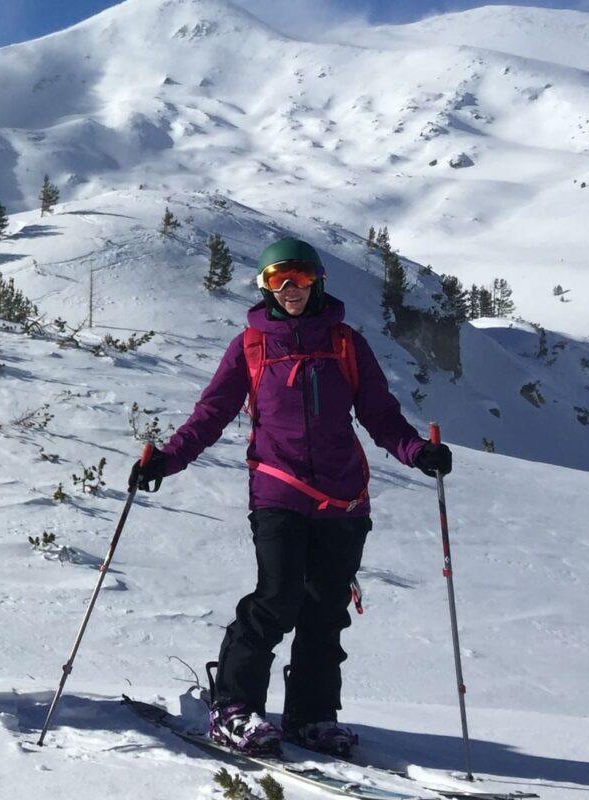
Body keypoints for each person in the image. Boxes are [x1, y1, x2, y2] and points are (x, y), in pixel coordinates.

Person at [127, 237, 451, 757]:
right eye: (278, 278)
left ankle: (313, 717)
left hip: (343, 498)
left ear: (317, 280)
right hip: (278, 489)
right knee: (277, 597)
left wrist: (416, 452)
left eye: (299, 276)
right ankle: (234, 707)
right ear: (264, 286)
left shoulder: (345, 343)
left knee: (326, 609)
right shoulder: (251, 347)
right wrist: (168, 458)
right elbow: (211, 413)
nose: (290, 288)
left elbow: (380, 414)